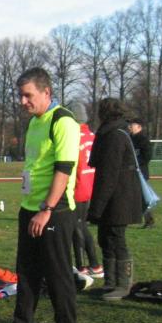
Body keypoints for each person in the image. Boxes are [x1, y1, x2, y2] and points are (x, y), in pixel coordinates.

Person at [0, 67, 81, 323]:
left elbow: (64, 169)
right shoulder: (34, 122)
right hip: (29, 207)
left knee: (57, 273)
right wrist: (31, 207)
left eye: (28, 95)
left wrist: (47, 208)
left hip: (55, 210)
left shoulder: (63, 121)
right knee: (26, 272)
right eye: (20, 95)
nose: (23, 101)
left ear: (46, 92)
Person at [88, 99, 143, 300]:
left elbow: (109, 174)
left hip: (120, 197)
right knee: (106, 238)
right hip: (116, 195)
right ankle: (110, 282)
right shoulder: (111, 133)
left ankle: (123, 284)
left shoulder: (114, 135)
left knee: (116, 238)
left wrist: (97, 207)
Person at [68, 102, 102, 279]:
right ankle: (94, 265)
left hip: (78, 187)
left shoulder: (74, 137)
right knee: (82, 226)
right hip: (91, 186)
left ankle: (82, 266)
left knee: (76, 228)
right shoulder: (92, 135)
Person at [127, 118, 154, 228]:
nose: (130, 126)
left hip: (140, 173)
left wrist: (136, 164)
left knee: (143, 197)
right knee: (130, 196)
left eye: (132, 124)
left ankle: (149, 220)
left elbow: (147, 156)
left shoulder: (143, 139)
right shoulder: (129, 138)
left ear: (139, 127)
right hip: (130, 172)